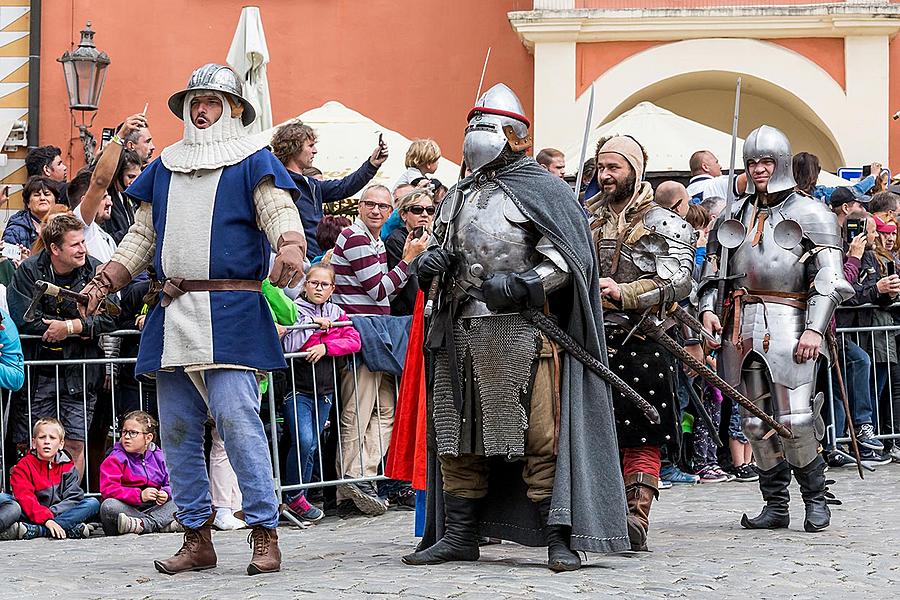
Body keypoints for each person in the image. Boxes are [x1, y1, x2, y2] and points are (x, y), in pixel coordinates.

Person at [79, 63, 307, 576]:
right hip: (172, 311)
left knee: (238, 421)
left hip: (230, 311)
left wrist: (291, 246)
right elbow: (141, 238)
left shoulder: (255, 160)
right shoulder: (164, 165)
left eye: (211, 102)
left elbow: (279, 215)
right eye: (194, 102)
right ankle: (196, 536)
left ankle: (264, 533)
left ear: (232, 110)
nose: (200, 110)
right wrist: (103, 280)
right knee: (179, 431)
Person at [404, 83, 628, 571]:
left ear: (514, 135)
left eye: (485, 127)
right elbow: (446, 255)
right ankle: (460, 535)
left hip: (525, 332)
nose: (474, 137)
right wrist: (429, 267)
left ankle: (558, 537)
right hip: (459, 327)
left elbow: (569, 261)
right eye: (471, 127)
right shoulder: (457, 195)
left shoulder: (543, 189)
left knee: (539, 438)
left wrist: (527, 281)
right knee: (455, 435)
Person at [700, 125, 854, 533]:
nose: (759, 170)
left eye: (766, 162)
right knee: (753, 422)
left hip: (790, 320)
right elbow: (713, 274)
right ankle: (775, 504)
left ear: (782, 163)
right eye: (753, 163)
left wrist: (815, 330)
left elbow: (829, 280)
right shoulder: (735, 215)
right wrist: (708, 310)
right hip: (741, 322)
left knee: (796, 419)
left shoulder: (812, 213)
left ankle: (816, 500)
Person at [587, 135, 696, 551]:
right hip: (593, 337)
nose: (606, 175)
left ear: (635, 169)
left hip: (643, 338)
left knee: (642, 432)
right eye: (601, 167)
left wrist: (624, 292)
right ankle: (602, 512)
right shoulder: (586, 218)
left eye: (614, 167)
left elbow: (677, 279)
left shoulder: (663, 221)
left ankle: (637, 515)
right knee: (597, 431)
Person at [330, 184, 426, 515]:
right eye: (370, 204)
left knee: (386, 410)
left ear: (390, 212)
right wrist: (408, 260)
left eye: (383, 207)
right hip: (360, 332)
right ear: (359, 207)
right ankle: (351, 477)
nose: (376, 210)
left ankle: (362, 477)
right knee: (359, 408)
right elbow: (379, 290)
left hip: (377, 331)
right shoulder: (356, 238)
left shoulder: (376, 241)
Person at [7, 213, 118, 477]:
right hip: (39, 373)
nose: (83, 249)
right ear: (54, 249)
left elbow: (113, 316)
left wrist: (69, 328)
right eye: (75, 244)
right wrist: (72, 323)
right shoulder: (29, 271)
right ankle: (36, 505)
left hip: (80, 373)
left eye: (83, 242)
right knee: (36, 444)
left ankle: (68, 507)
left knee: (75, 443)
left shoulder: (96, 270)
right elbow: (24, 318)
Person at [281, 262, 361, 523]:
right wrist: (313, 326)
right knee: (303, 441)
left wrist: (326, 346)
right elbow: (291, 340)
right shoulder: (296, 311)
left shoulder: (336, 312)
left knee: (312, 444)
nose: (319, 288)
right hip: (297, 389)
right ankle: (294, 496)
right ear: (305, 284)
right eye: (314, 282)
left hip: (324, 391)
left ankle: (299, 498)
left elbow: (354, 340)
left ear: (332, 288)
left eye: (324, 284)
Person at [271, 119, 386, 259]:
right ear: (294, 148)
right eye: (310, 145)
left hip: (316, 259)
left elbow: (345, 187)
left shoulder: (313, 184)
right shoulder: (279, 183)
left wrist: (372, 165)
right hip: (298, 260)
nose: (315, 151)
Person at [8, 418, 100, 539]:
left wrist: (50, 514)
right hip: (32, 512)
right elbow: (25, 497)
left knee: (92, 503)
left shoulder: (67, 465)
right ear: (34, 443)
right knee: (12, 504)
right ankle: (68, 527)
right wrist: (45, 517)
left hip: (57, 513)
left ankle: (39, 531)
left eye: (52, 438)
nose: (47, 442)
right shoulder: (23, 466)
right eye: (42, 437)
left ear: (61, 444)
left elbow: (73, 497)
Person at [99, 410, 179, 535]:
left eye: (133, 433)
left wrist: (165, 492)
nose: (126, 437)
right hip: (127, 509)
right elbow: (108, 490)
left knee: (180, 499)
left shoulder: (159, 456)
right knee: (108, 506)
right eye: (124, 432)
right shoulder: (114, 458)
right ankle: (160, 524)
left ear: (148, 438)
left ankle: (145, 524)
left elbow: (172, 483)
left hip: (154, 507)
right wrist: (139, 495)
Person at [386, 189, 435, 316]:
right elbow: (409, 286)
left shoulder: (435, 239)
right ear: (403, 215)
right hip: (407, 315)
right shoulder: (396, 239)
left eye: (430, 210)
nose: (425, 214)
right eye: (417, 210)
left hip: (431, 311)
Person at [792, 152, 878, 203]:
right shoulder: (821, 193)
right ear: (814, 173)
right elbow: (853, 191)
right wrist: (873, 176)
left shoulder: (783, 195)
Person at [2, 176, 59, 250]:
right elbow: (8, 260)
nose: (42, 198)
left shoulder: (65, 225)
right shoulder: (14, 230)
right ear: (28, 203)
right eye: (37, 195)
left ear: (56, 200)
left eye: (47, 194)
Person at [102, 149, 143, 244]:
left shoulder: (126, 196)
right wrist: (134, 230)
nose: (136, 181)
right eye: (131, 176)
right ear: (118, 175)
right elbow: (106, 238)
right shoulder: (106, 199)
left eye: (138, 177)